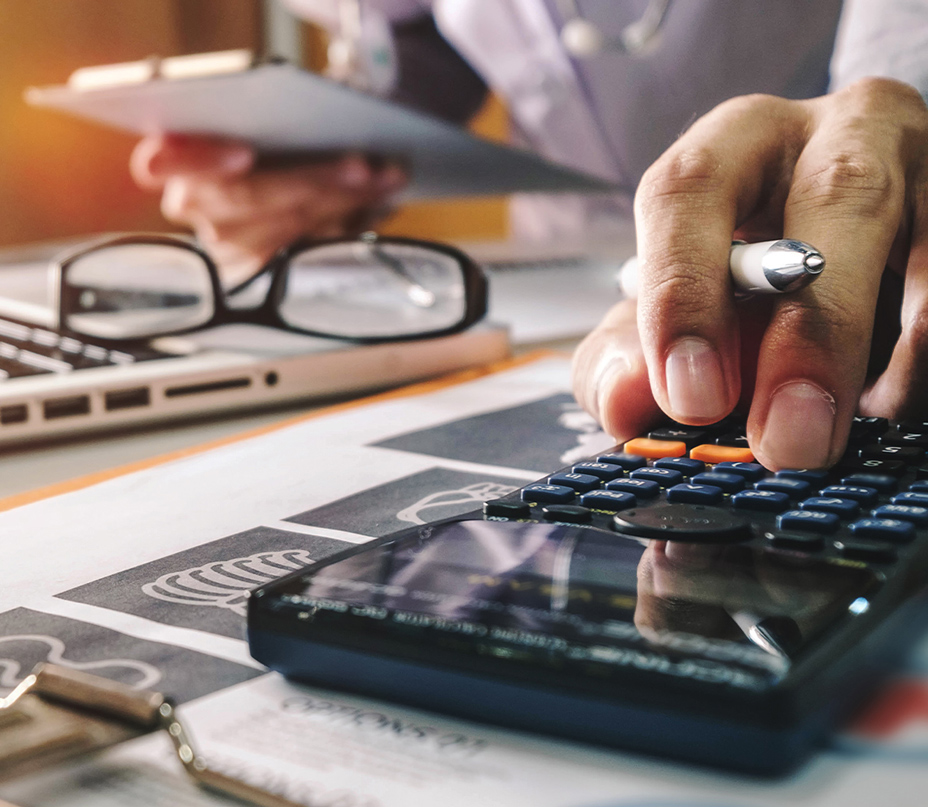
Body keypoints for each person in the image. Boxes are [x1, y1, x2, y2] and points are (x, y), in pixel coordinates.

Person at [129, 0, 928, 470]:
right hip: (564, 276)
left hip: (856, 251)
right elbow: (423, 38)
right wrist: (324, 148)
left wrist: (903, 102)